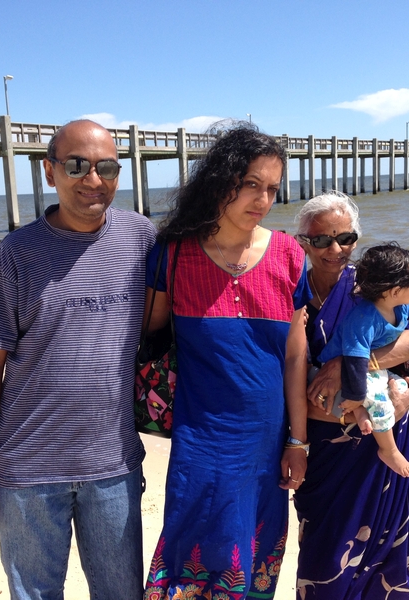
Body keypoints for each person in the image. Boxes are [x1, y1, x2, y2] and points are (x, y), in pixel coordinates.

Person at [0, 120, 156, 600]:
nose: (93, 179)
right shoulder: (17, 253)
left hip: (113, 466)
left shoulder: (141, 238)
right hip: (27, 471)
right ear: (50, 173)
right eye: (77, 165)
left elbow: (174, 319)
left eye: (107, 167)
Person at [142, 123, 311, 600]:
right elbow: (149, 337)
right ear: (221, 181)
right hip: (202, 436)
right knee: (193, 549)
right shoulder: (172, 254)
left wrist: (298, 440)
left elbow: (296, 357)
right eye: (250, 184)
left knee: (255, 557)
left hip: (267, 438)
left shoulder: (289, 255)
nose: (262, 199)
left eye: (272, 189)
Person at [292, 191, 409, 600]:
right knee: (326, 553)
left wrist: (351, 363)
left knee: (393, 550)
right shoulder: (291, 291)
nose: (335, 249)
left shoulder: (370, 286)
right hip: (326, 446)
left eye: (346, 238)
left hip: (386, 433)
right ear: (303, 242)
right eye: (321, 240)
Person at [317, 242, 409, 477]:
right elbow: (354, 361)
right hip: (343, 369)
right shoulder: (363, 320)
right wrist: (355, 397)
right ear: (395, 291)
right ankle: (389, 450)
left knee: (400, 385)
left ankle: (363, 413)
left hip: (369, 368)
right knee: (380, 402)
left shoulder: (402, 306)